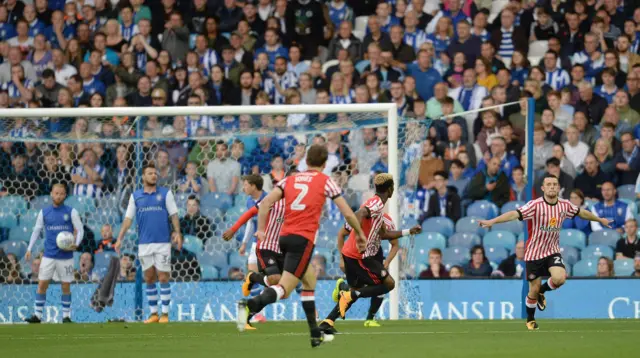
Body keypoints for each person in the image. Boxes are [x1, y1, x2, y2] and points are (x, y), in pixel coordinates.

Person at [237, 144, 366, 348]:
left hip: (284, 237)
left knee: (309, 280)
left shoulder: (290, 179)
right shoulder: (325, 181)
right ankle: (250, 304)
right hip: (303, 240)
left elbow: (265, 204)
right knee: (284, 289)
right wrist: (359, 234)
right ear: (324, 164)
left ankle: (316, 334)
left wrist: (261, 229)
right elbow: (348, 213)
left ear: (307, 161)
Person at [479, 174, 611, 330]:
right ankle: (530, 319)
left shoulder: (564, 205)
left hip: (552, 251)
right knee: (532, 290)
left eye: (555, 184)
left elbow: (581, 212)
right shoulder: (535, 205)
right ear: (543, 188)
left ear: (558, 187)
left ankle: (543, 290)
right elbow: (514, 214)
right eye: (549, 184)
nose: (552, 187)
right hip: (534, 253)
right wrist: (492, 221)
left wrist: (600, 220)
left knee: (560, 278)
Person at [320, 174, 421, 333]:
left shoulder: (378, 210)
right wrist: (360, 236)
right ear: (390, 189)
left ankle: (328, 322)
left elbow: (385, 235)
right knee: (388, 284)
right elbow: (360, 214)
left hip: (352, 254)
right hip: (360, 256)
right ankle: (349, 296)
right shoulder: (375, 203)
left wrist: (409, 231)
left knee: (357, 289)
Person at [114, 162, 183, 324]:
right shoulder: (136, 196)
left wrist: (178, 233)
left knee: (163, 276)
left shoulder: (166, 194)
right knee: (149, 277)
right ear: (143, 176)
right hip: (144, 244)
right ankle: (153, 314)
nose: (154, 175)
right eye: (150, 173)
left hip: (163, 243)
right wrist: (119, 238)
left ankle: (165, 314)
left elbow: (174, 214)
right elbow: (128, 219)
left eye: (155, 173)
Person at [24, 184, 84, 323]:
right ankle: (37, 316)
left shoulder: (71, 211)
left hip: (66, 257)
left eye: (62, 193)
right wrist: (29, 249)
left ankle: (66, 317)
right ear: (51, 194)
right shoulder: (44, 212)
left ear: (65, 195)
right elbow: (36, 231)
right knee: (42, 284)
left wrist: (76, 244)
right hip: (49, 255)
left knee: (66, 286)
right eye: (56, 193)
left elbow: (80, 230)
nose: (59, 196)